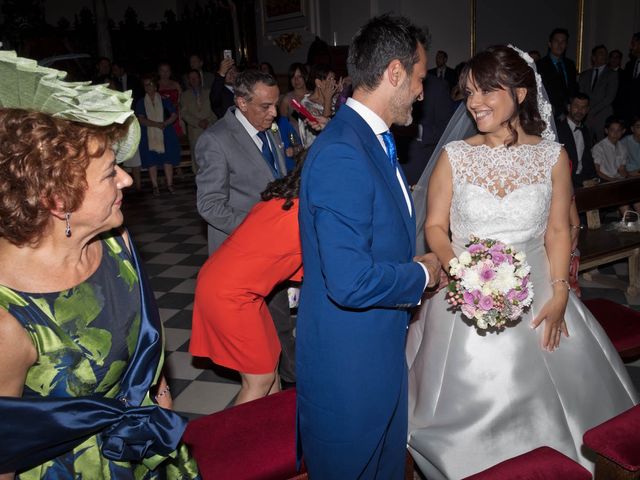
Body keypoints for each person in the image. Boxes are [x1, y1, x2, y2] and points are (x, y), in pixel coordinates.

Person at [406, 45, 637, 479]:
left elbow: (558, 230)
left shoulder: (552, 157)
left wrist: (560, 292)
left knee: (562, 401)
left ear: (522, 92)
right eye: (470, 91)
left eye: (488, 89)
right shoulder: (455, 157)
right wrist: (464, 272)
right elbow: (435, 228)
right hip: (465, 291)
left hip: (542, 291)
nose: (475, 102)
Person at [0, 51, 199, 479]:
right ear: (59, 200)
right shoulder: (6, 319)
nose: (126, 179)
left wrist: (159, 393)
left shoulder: (115, 242)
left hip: (145, 446)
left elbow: (144, 342)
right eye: (111, 173)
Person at [297, 15, 441, 478]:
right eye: (419, 79)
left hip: (379, 355)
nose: (422, 92)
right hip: (349, 373)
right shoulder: (344, 150)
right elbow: (349, 280)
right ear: (395, 73)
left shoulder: (373, 140)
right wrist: (421, 274)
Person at [195, 69, 296, 386]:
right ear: (240, 101)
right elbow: (209, 204)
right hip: (242, 257)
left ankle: (285, 399)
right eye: (265, 106)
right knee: (258, 357)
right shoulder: (215, 140)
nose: (274, 112)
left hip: (274, 256)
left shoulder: (272, 129)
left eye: (275, 103)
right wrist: (260, 228)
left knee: (280, 328)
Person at [190, 159, 304, 405]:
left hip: (231, 286)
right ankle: (234, 441)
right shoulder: (304, 215)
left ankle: (270, 431)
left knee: (270, 363)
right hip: (231, 294)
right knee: (259, 379)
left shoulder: (283, 201)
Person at [136, 74, 181, 195]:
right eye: (146, 85)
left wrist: (165, 123)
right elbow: (141, 119)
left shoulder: (165, 100)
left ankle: (170, 184)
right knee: (151, 160)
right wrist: (156, 124)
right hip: (149, 134)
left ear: (155, 86)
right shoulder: (141, 102)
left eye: (150, 84)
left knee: (168, 159)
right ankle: (155, 186)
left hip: (166, 132)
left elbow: (174, 115)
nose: (148, 87)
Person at [556, 93, 598, 187]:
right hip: (566, 182)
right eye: (576, 106)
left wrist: (595, 177)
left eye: (583, 107)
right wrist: (581, 182)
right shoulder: (558, 130)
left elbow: (587, 158)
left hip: (584, 179)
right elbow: (559, 166)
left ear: (587, 110)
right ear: (568, 107)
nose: (580, 111)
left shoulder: (585, 130)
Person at [578, 45, 618, 141]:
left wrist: (591, 111)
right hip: (586, 117)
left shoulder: (612, 74)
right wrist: (584, 110)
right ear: (593, 57)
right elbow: (581, 94)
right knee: (586, 143)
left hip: (603, 116)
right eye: (601, 53)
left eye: (605, 54)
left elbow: (609, 97)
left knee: (603, 146)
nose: (604, 56)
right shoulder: (584, 74)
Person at [181, 69, 217, 173]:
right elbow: (184, 113)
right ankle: (200, 183)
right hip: (195, 131)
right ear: (188, 80)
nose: (193, 80)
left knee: (212, 156)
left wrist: (208, 120)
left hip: (210, 129)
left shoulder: (209, 92)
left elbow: (215, 110)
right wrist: (198, 122)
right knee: (197, 158)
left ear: (200, 79)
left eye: (195, 77)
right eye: (191, 78)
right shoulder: (184, 95)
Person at [536, 28, 578, 118]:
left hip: (569, 114)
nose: (560, 45)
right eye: (556, 41)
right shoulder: (540, 65)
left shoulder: (570, 64)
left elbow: (573, 88)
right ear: (550, 44)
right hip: (550, 113)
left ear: (566, 45)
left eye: (563, 42)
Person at [298, 63, 339, 147]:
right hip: (315, 150)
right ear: (318, 82)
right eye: (330, 79)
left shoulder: (334, 100)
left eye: (334, 79)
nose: (334, 82)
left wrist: (340, 95)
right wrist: (328, 100)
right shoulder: (306, 105)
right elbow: (323, 131)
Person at [592, 116, 630, 181]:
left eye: (619, 130)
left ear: (623, 131)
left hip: (618, 180)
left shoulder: (623, 148)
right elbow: (596, 171)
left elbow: (622, 169)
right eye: (612, 130)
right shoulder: (599, 147)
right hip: (604, 181)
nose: (615, 133)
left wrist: (627, 176)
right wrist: (611, 180)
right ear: (606, 131)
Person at [278, 62, 309, 136]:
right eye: (293, 77)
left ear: (305, 77)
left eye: (299, 76)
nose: (296, 80)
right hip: (296, 140)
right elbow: (283, 125)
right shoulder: (287, 99)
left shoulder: (314, 95)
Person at [157, 63, 184, 138]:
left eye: (167, 71)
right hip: (161, 115)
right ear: (159, 72)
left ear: (170, 72)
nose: (165, 73)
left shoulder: (176, 84)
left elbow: (181, 99)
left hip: (176, 114)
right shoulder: (155, 85)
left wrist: (177, 105)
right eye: (162, 71)